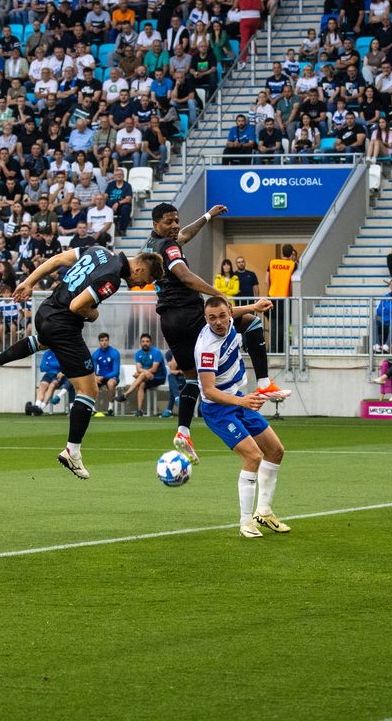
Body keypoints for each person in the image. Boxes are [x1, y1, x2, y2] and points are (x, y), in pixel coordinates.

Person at [0, 246, 164, 478]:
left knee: (42, 342)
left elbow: (57, 259)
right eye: (147, 280)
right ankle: (72, 452)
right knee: (89, 390)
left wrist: (28, 282)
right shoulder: (112, 279)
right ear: (139, 269)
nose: (143, 285)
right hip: (64, 325)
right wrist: (93, 314)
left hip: (46, 312)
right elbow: (77, 306)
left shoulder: (98, 250)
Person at [143, 202, 288, 462]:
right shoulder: (169, 247)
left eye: (176, 220)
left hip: (168, 320)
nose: (175, 225)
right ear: (156, 224)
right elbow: (185, 276)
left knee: (191, 378)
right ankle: (264, 383)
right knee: (251, 322)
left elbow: (184, 234)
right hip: (189, 313)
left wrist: (207, 216)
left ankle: (183, 431)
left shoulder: (153, 243)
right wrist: (218, 294)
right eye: (169, 222)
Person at [195, 296, 288, 538]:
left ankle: (264, 512)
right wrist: (242, 401)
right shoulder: (207, 349)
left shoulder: (229, 319)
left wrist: (254, 307)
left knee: (276, 450)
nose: (218, 322)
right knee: (253, 455)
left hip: (237, 398)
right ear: (205, 319)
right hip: (218, 409)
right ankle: (246, 522)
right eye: (212, 318)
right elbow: (209, 391)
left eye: (222, 316)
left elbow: (235, 311)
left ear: (229, 313)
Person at [122, 332, 165, 415]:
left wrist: (141, 373)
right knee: (141, 384)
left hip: (158, 377)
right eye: (143, 341)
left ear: (150, 343)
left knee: (141, 375)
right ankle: (139, 410)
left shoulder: (156, 352)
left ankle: (126, 394)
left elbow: (154, 369)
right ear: (140, 343)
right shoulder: (138, 353)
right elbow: (138, 368)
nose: (145, 343)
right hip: (146, 377)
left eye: (147, 341)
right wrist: (144, 373)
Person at [28, 349, 67, 417]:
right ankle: (37, 406)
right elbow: (42, 367)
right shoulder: (47, 353)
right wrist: (55, 368)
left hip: (59, 375)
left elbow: (65, 366)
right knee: (42, 385)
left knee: (52, 385)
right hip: (49, 374)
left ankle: (41, 408)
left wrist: (51, 366)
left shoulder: (62, 352)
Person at [92, 332, 121, 417]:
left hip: (112, 377)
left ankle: (110, 408)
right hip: (100, 377)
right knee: (90, 383)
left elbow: (116, 371)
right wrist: (95, 377)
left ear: (108, 341)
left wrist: (104, 377)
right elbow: (93, 370)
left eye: (106, 340)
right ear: (99, 342)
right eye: (102, 341)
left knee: (111, 383)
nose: (104, 342)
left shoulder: (114, 353)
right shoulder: (95, 354)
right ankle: (92, 408)